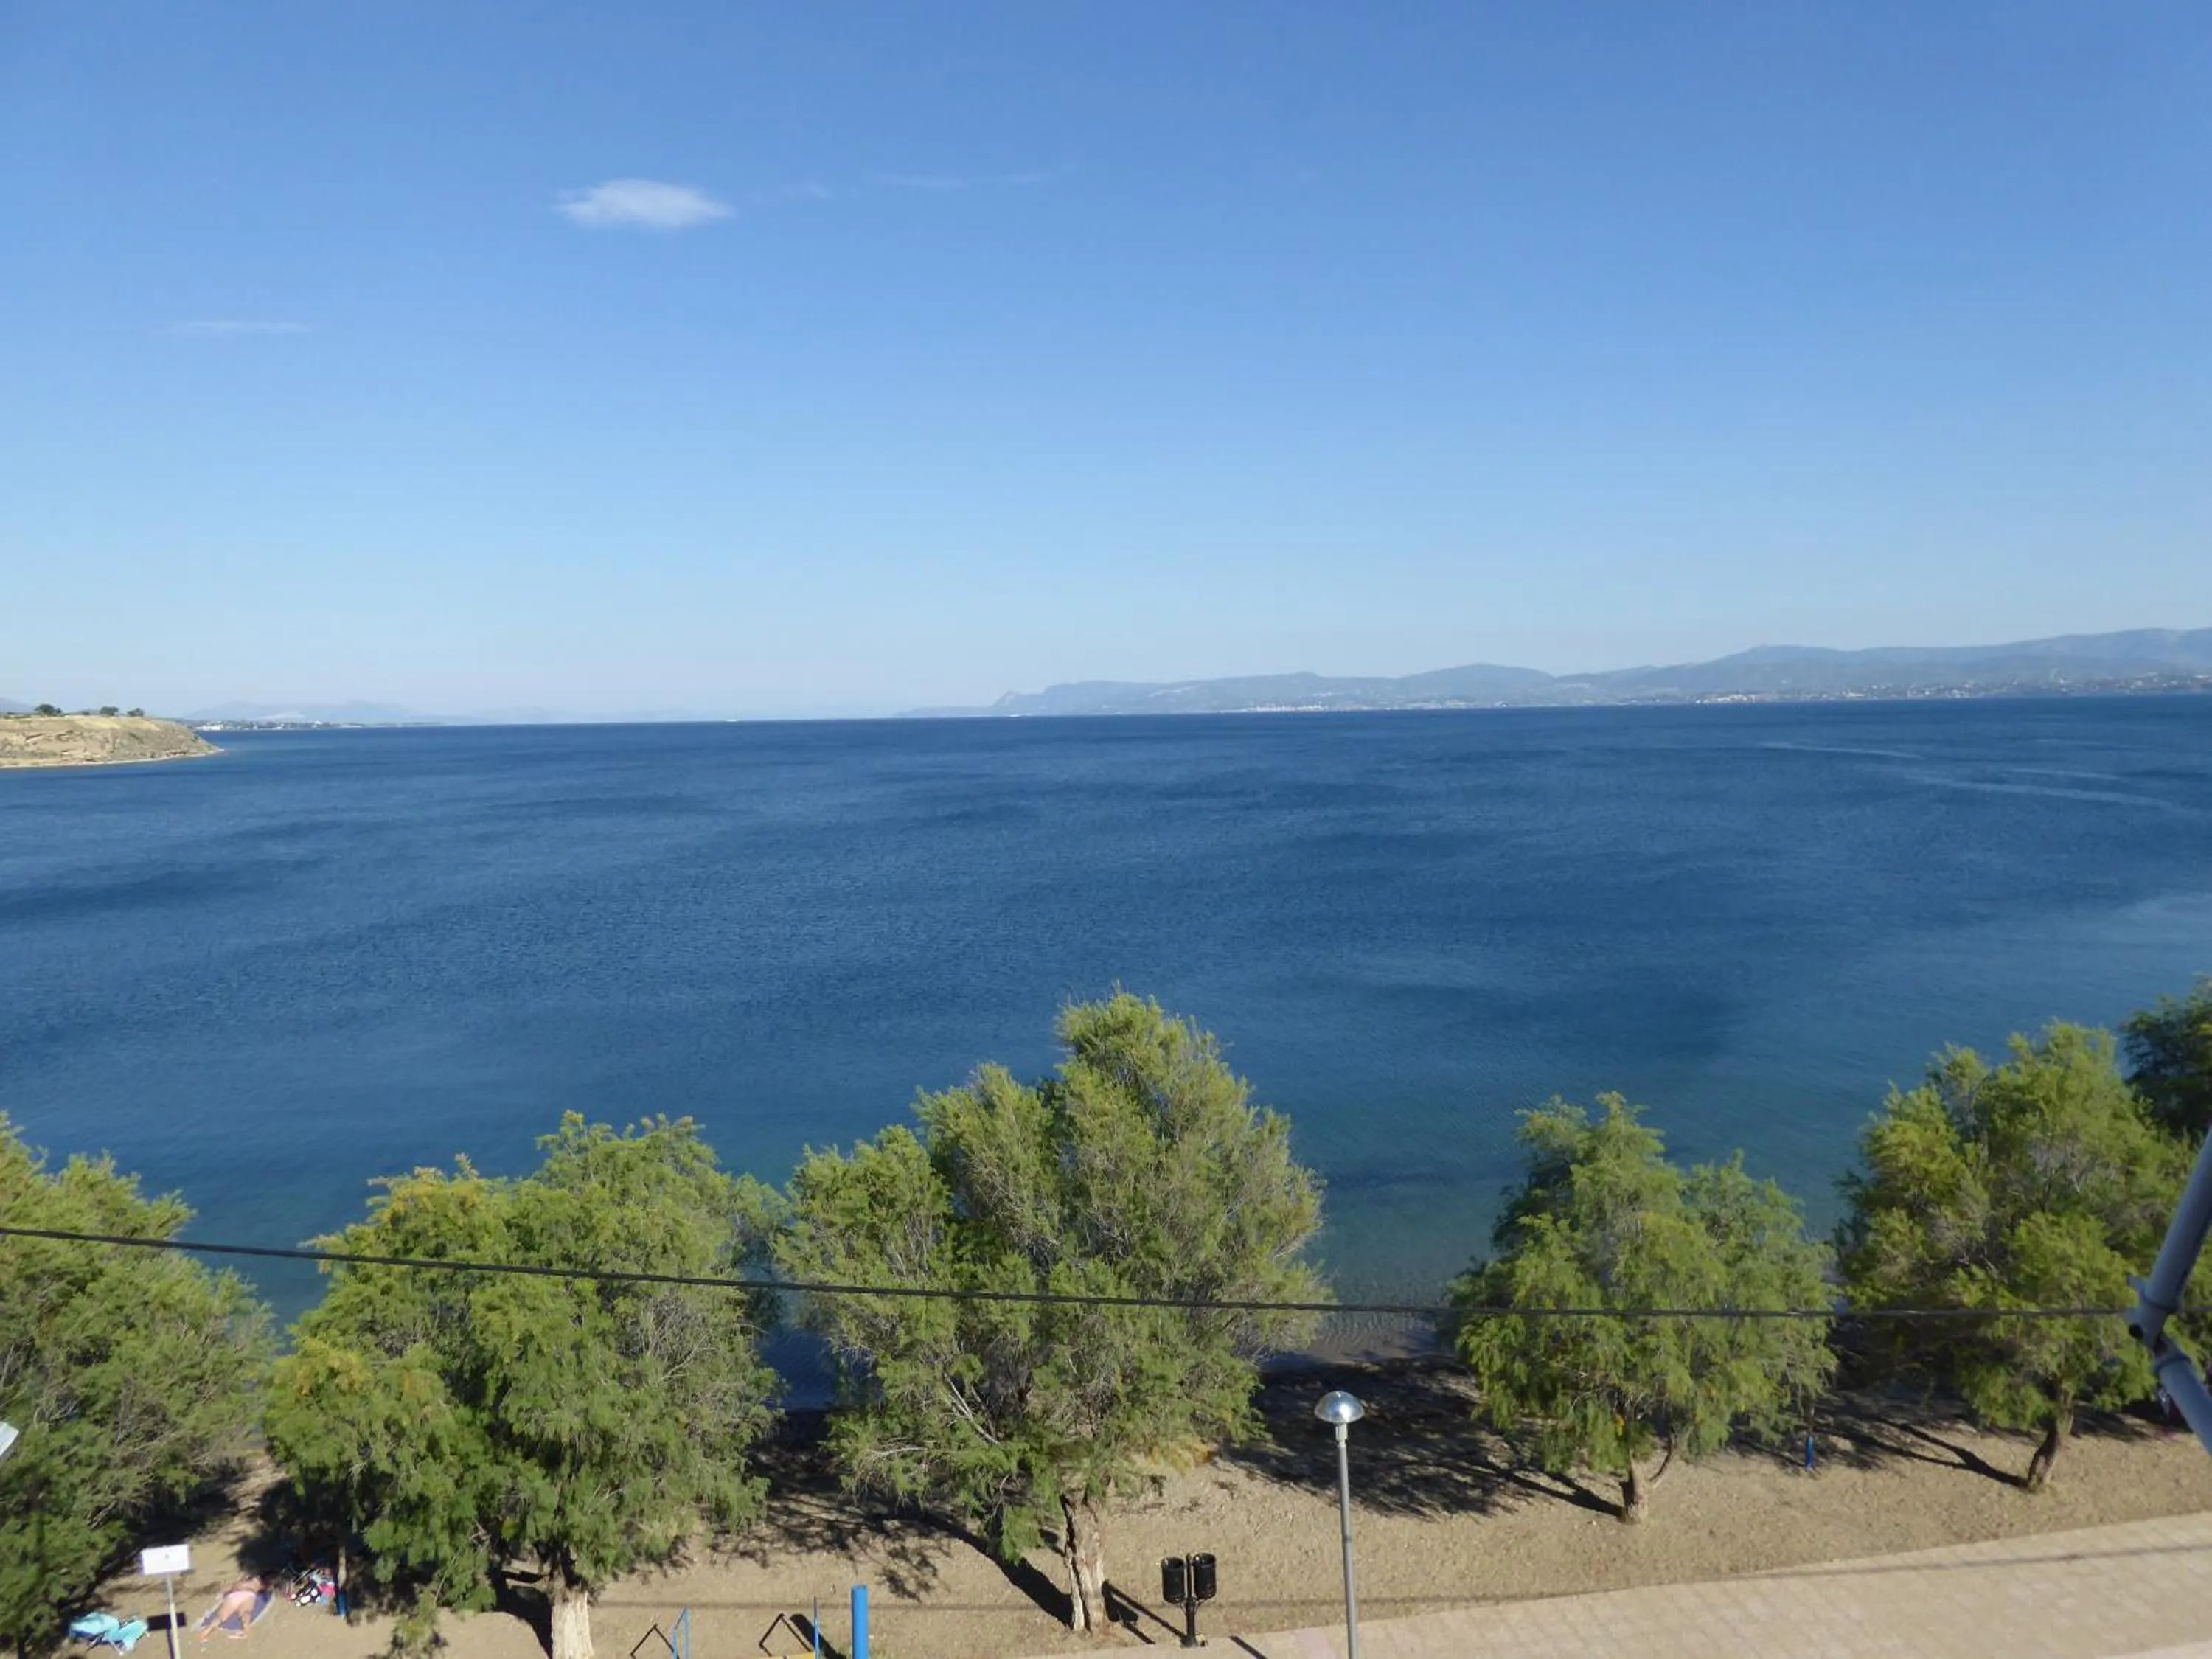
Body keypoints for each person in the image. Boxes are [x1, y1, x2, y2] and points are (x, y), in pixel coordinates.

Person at [198, 1576, 266, 1642]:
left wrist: (224, 1593)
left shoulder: (244, 1581)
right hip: (250, 1595)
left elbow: (233, 1587)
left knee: (222, 1617)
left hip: (236, 1595)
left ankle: (205, 1633)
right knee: (245, 1613)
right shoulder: (259, 1583)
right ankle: (246, 1632)